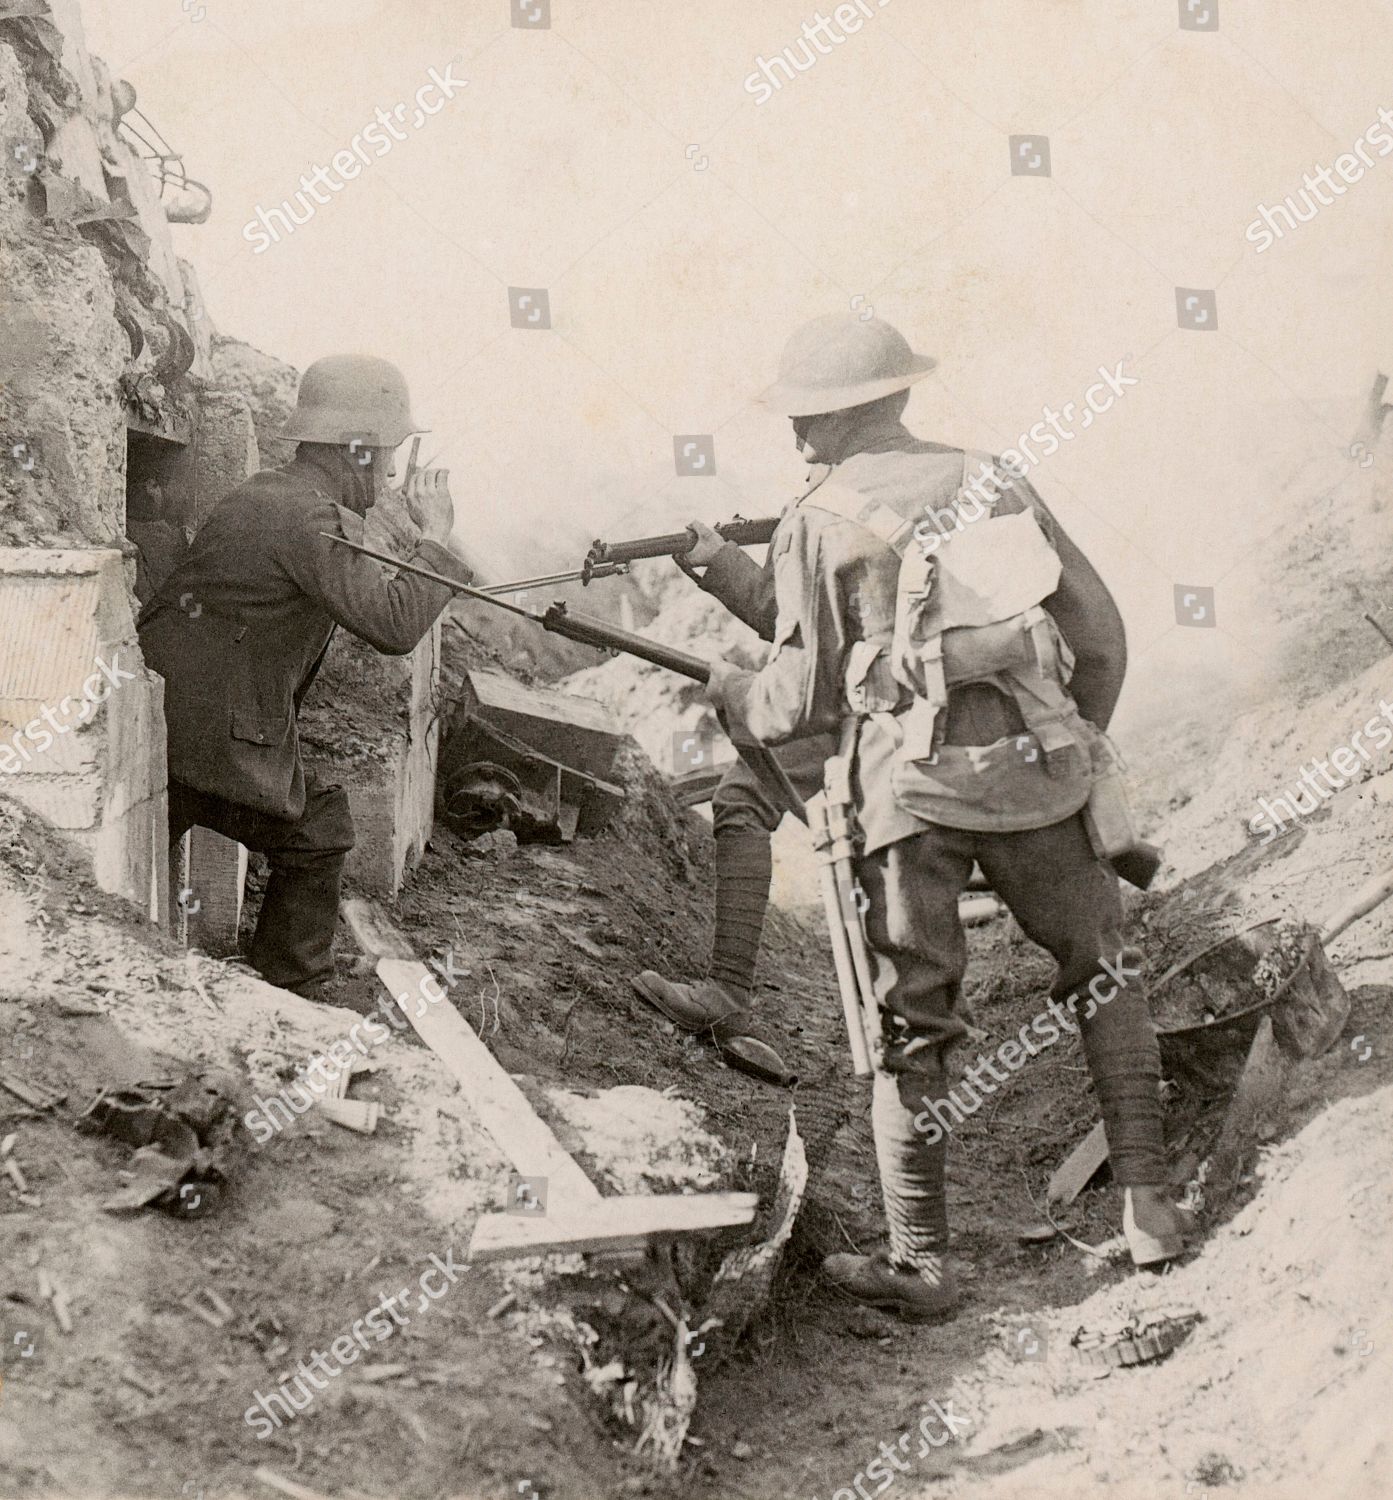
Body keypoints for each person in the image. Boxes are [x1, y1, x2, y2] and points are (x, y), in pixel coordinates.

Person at [703, 312, 1186, 1320]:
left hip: (906, 803)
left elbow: (800, 700)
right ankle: (1150, 1208)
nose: (797, 439)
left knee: (909, 1024)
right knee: (1104, 970)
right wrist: (1069, 748)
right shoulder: (999, 478)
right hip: (1033, 775)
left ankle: (923, 1264)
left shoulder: (816, 521)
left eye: (811, 419)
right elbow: (1097, 633)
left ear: (853, 415)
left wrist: (729, 694)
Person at [139, 354, 471, 997]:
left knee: (294, 813)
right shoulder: (312, 517)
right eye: (387, 453)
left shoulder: (272, 495)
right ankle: (291, 982)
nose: (392, 472)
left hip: (178, 717)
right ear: (357, 453)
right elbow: (395, 626)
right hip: (203, 733)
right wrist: (437, 538)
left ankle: (268, 967)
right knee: (321, 826)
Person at [631, 502, 834, 1087]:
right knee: (744, 792)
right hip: (906, 698)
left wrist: (747, 690)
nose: (798, 436)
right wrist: (721, 560)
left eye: (810, 419)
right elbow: (793, 617)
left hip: (884, 707)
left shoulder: (849, 505)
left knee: (745, 796)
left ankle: (727, 991)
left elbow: (806, 630)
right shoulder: (933, 479)